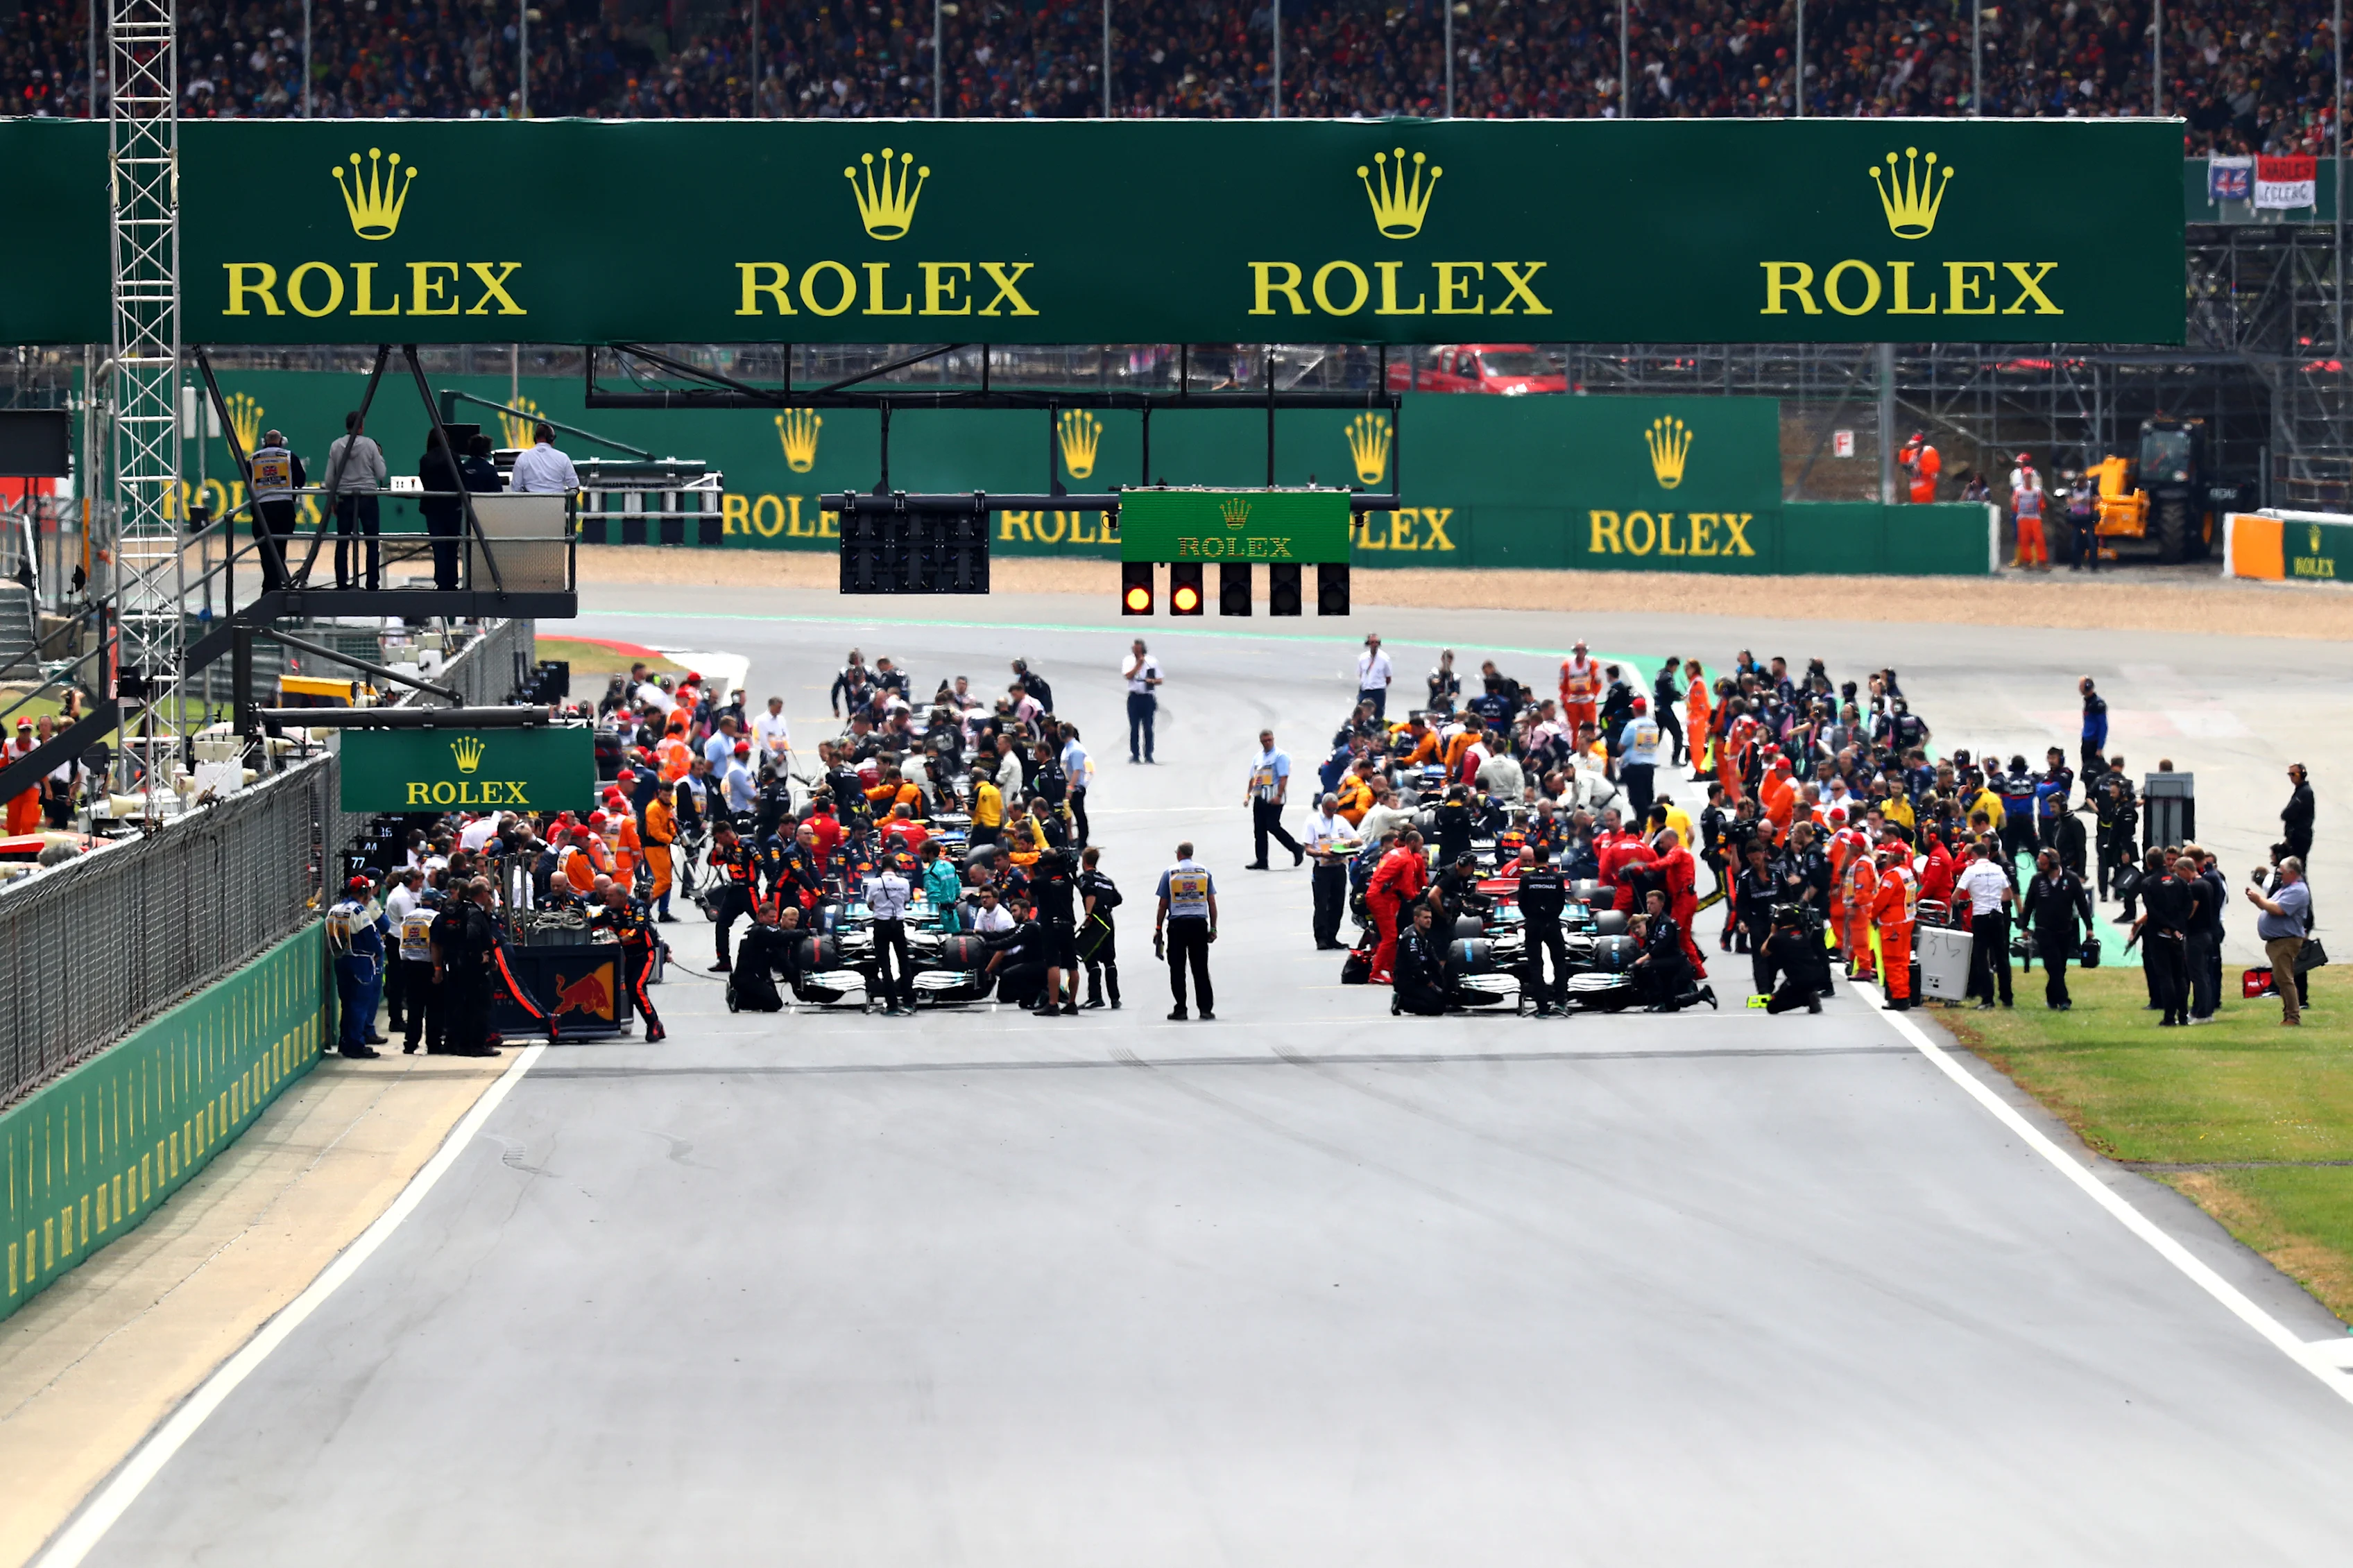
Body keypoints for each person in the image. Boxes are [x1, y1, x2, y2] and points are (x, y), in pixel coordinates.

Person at [590, 883, 667, 1042]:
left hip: (645, 954)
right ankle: (655, 1024)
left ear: (622, 897)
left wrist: (618, 941)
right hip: (628, 956)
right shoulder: (609, 911)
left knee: (636, 987)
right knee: (633, 992)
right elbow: (591, 923)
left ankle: (654, 1024)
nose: (607, 898)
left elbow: (639, 929)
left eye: (611, 896)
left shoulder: (638, 907)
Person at [323, 410, 388, 592]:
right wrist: (379, 455)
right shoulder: (370, 445)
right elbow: (381, 474)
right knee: (372, 541)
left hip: (345, 499)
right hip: (368, 498)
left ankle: (342, 583)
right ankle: (372, 583)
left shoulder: (336, 446)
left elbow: (329, 480)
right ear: (361, 426)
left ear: (346, 426)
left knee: (343, 542)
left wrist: (333, 501)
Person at [2021, 847, 2092, 1010]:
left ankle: (2052, 998)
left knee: (2061, 966)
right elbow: (2029, 904)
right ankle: (2064, 1000)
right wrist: (2024, 926)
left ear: (2053, 863)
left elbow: (2082, 904)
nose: (2041, 866)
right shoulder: (2037, 880)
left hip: (2065, 930)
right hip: (2044, 930)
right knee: (2052, 965)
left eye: (2044, 863)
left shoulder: (2071, 880)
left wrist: (2089, 927)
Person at [325, 875, 388, 1058]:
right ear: (363, 892)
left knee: (347, 1004)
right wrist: (377, 951)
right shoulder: (359, 911)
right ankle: (356, 1045)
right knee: (359, 1005)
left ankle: (346, 1042)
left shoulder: (334, 910)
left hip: (341, 960)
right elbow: (371, 936)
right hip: (360, 961)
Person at [2246, 856, 2313, 1026]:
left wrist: (2258, 900)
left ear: (2292, 873)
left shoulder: (2298, 891)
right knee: (2281, 978)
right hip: (2278, 940)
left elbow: (2278, 909)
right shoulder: (2286, 888)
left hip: (2286, 940)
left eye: (2281, 872)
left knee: (2285, 979)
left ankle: (2293, 1017)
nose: (2278, 875)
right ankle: (2288, 1014)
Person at [1155, 840, 1217, 1021]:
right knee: (1200, 968)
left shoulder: (1170, 873)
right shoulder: (1204, 873)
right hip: (1199, 924)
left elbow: (1163, 904)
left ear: (1179, 854)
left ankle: (1181, 1008)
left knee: (1177, 968)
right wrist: (1213, 927)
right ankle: (1205, 1009)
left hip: (1177, 926)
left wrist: (1158, 928)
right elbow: (1211, 902)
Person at [2132, 854, 2197, 1027]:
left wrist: (2168, 926)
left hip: (2159, 933)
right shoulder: (2180, 882)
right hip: (2177, 933)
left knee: (2165, 975)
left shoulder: (2148, 883)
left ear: (2149, 863)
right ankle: (2183, 1016)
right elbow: (2189, 905)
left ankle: (2169, 1016)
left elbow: (2151, 910)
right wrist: (2178, 926)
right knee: (2180, 975)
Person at [1955, 839, 2016, 1009]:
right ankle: (2007, 997)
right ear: (1987, 854)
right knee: (2002, 957)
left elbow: (1955, 896)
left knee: (1981, 957)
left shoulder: (1971, 870)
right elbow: (2008, 895)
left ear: (1973, 855)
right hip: (1997, 915)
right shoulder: (1998, 869)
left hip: (1980, 916)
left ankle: (1987, 998)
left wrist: (1963, 903)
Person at [248, 427, 305, 594]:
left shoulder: (253, 459)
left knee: (265, 552)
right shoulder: (288, 456)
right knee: (279, 549)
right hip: (284, 509)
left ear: (264, 442)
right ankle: (275, 586)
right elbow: (300, 481)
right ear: (281, 441)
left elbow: (247, 480)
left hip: (261, 510)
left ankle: (270, 587)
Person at [1516, 843, 1571, 1017]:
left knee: (1535, 965)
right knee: (1560, 962)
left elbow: (1521, 903)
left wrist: (1533, 917)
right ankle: (1561, 1001)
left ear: (1533, 860)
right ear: (1548, 859)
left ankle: (1542, 1007)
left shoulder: (1526, 879)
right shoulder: (1558, 879)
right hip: (1553, 923)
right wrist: (1550, 916)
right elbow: (1562, 902)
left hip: (1533, 923)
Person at [862, 852, 916, 1017]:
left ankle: (891, 1002)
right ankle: (909, 1000)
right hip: (898, 924)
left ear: (881, 868)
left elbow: (870, 904)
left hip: (881, 924)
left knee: (884, 963)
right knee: (904, 961)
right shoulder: (904, 883)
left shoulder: (874, 883)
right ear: (896, 867)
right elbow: (906, 901)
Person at [1305, 791, 1358, 950]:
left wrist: (1348, 844)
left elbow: (1358, 839)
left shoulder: (1341, 821)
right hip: (1322, 868)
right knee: (1321, 904)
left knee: (1338, 903)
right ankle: (1321, 938)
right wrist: (1322, 853)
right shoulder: (1313, 821)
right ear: (1323, 807)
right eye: (1329, 809)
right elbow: (1308, 848)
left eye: (1335, 810)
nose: (1332, 813)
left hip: (1339, 866)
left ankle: (1332, 936)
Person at [1244, 729, 1304, 869]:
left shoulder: (1280, 756)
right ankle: (1262, 860)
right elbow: (1253, 778)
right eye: (1265, 741)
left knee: (1272, 826)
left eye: (1270, 740)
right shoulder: (1258, 757)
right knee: (1259, 829)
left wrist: (1279, 795)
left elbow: (1284, 777)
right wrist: (1248, 796)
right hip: (1260, 795)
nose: (1267, 743)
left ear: (1273, 739)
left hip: (1274, 795)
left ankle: (1296, 848)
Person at [416, 430, 468, 590]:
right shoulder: (454, 457)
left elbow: (424, 480)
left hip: (433, 508)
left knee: (438, 547)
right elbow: (462, 480)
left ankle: (441, 581)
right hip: (452, 507)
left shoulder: (425, 460)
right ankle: (452, 581)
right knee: (452, 546)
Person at [1078, 845, 1122, 1010]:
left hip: (1095, 920)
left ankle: (1095, 997)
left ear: (1084, 861)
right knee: (1109, 959)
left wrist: (1089, 914)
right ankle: (1115, 998)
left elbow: (1090, 894)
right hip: (1108, 920)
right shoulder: (1107, 880)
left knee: (1090, 956)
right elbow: (1118, 899)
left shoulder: (1086, 878)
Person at [1389, 901, 1451, 1017]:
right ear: (1416, 919)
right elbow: (1415, 966)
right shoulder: (1411, 938)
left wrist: (1445, 979)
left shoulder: (1424, 937)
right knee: (1436, 1008)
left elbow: (1434, 962)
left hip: (1421, 977)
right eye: (1425, 918)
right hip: (1408, 980)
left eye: (1430, 918)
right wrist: (1430, 984)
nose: (1429, 921)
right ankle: (1402, 1001)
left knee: (1446, 998)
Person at [1618, 696, 1661, 823]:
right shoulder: (1653, 725)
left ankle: (1643, 822)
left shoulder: (1632, 726)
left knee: (1636, 798)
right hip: (1649, 766)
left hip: (1634, 767)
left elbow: (1622, 746)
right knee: (1648, 796)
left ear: (1635, 710)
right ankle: (1649, 819)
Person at [508, 421, 579, 494]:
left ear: (535, 438)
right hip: (557, 503)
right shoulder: (563, 458)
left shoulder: (523, 458)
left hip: (531, 503)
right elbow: (574, 485)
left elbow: (516, 488)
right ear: (551, 439)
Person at [1123, 639, 1161, 763]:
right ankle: (1135, 755)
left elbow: (1160, 679)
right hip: (1134, 698)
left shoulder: (1152, 661)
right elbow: (1128, 676)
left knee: (1148, 728)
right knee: (1134, 728)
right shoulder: (1128, 661)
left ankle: (1148, 754)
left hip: (1147, 698)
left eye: (1139, 650)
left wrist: (1153, 681)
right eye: (1135, 650)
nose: (1136, 653)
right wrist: (1138, 666)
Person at [2010, 451, 2048, 569]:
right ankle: (2025, 560)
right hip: (2022, 515)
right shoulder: (2015, 478)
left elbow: (2041, 503)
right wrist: (2016, 508)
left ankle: (2041, 561)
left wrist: (2038, 510)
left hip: (2034, 516)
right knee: (2022, 539)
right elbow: (2014, 500)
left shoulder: (2036, 486)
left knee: (2039, 539)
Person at [1558, 639, 1600, 738]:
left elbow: (1597, 681)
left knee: (1590, 728)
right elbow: (1562, 683)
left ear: (1586, 651)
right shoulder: (1567, 665)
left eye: (1582, 649)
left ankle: (1591, 748)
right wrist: (1564, 698)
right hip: (1573, 702)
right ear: (1575, 651)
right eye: (1578, 649)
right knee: (1573, 730)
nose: (1580, 652)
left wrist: (1594, 695)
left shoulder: (1592, 663)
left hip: (1588, 701)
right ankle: (1573, 749)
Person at [1355, 632, 1394, 721]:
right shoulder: (1363, 657)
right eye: (1372, 642)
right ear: (1368, 643)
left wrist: (1380, 686)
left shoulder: (1384, 658)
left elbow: (1388, 677)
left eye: (1376, 642)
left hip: (1378, 690)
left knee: (1379, 715)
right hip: (1365, 689)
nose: (1374, 645)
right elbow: (1361, 673)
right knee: (1360, 712)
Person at [2282, 764, 2315, 864]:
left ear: (2302, 775)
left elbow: (2289, 813)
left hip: (2300, 838)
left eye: (2294, 774)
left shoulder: (2305, 792)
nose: (2291, 777)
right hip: (2295, 836)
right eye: (2290, 775)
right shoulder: (2300, 791)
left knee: (2296, 867)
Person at [1900, 430, 1940, 503]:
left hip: (1925, 487)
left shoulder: (1929, 451)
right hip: (1914, 488)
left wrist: (1920, 471)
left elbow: (1934, 468)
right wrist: (1906, 449)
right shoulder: (1913, 452)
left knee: (1924, 507)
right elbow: (1904, 462)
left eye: (1915, 444)